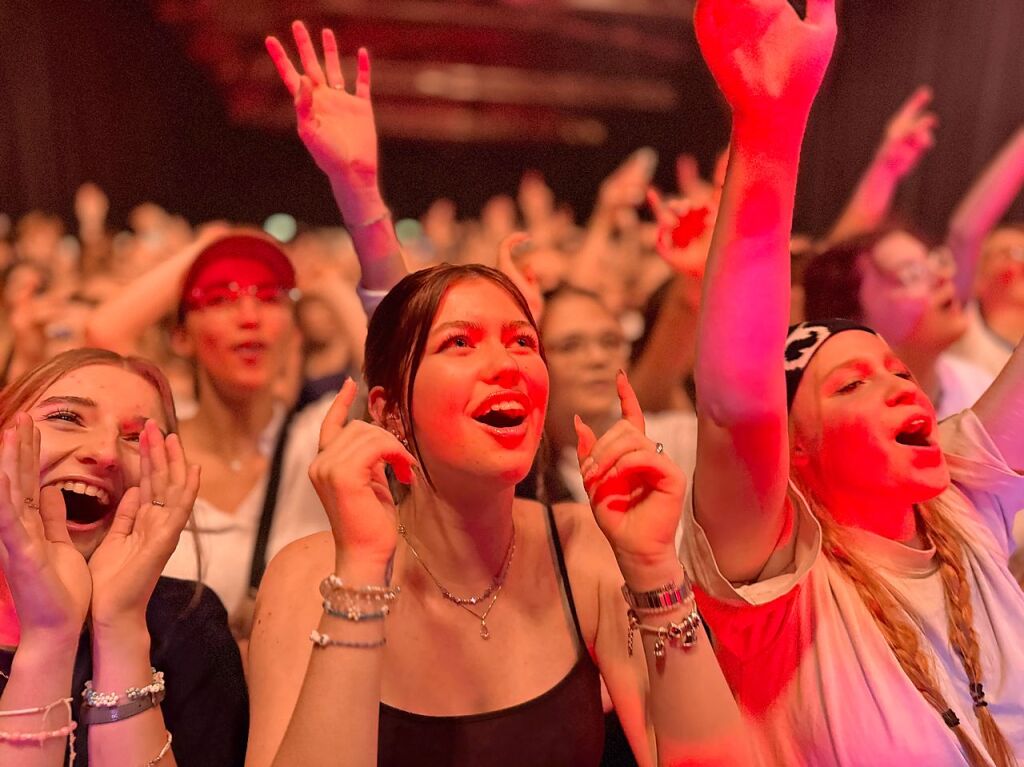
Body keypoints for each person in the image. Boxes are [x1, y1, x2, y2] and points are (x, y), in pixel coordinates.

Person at [682, 1, 1024, 766]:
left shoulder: (965, 507)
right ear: (794, 450)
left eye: (896, 372)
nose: (898, 387)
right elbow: (737, 408)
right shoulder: (773, 582)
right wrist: (770, 130)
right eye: (849, 386)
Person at [244, 259, 746, 767]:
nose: (507, 366)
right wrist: (361, 570)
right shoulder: (309, 578)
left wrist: (654, 566)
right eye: (459, 342)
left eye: (523, 342)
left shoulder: (582, 551)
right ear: (390, 411)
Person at [0, 348, 248, 766]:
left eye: (136, 438)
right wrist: (49, 638)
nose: (106, 454)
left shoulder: (188, 625)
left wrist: (120, 627)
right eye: (67, 417)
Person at [88, 231, 334, 641]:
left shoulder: (320, 437)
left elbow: (402, 361)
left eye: (271, 298)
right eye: (220, 299)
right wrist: (205, 246)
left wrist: (326, 281)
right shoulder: (153, 443)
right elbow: (103, 333)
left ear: (294, 333)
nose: (250, 317)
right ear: (181, 337)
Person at [802, 228, 993, 419]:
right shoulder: (836, 419)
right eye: (912, 274)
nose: (942, 277)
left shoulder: (982, 390)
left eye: (935, 261)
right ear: (849, 315)